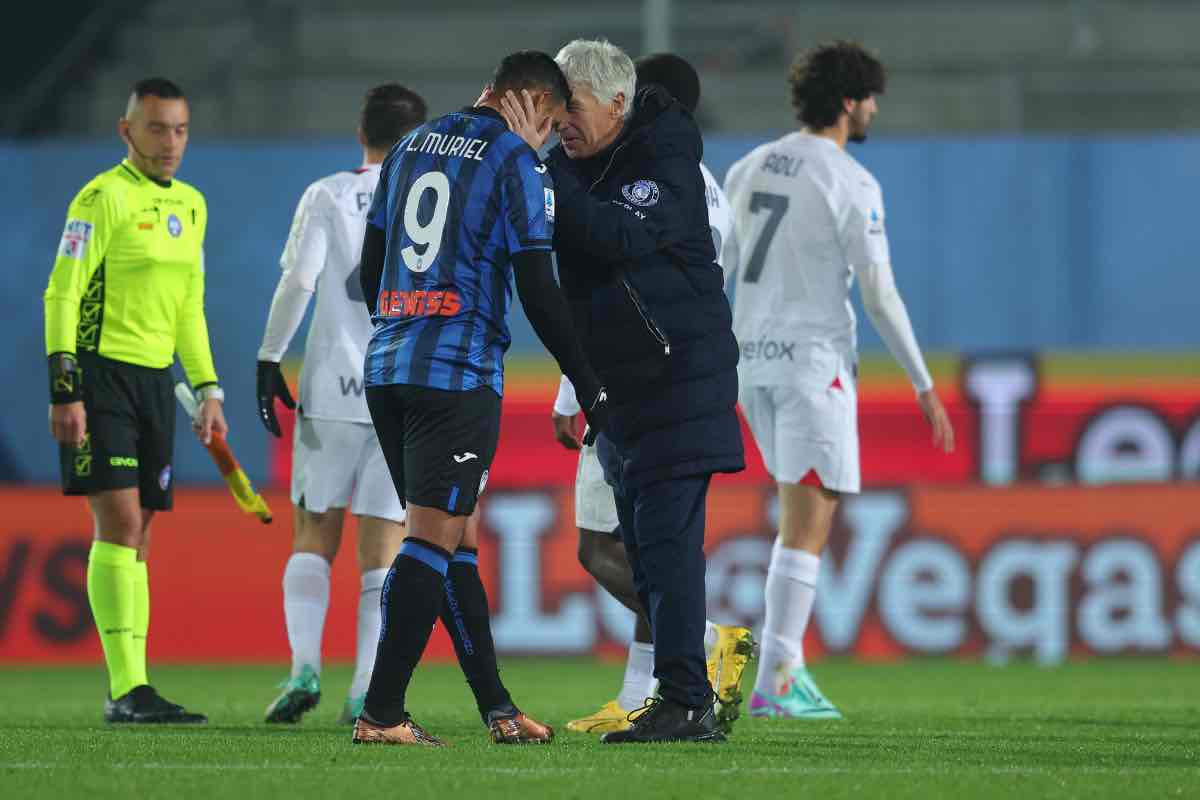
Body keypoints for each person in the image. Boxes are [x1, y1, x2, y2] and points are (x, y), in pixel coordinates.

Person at [351, 50, 607, 747]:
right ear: (535, 106)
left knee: (454, 538)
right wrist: (590, 383)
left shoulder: (408, 144)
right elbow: (539, 289)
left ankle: (498, 708)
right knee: (431, 540)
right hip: (456, 373)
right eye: (553, 124)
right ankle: (380, 714)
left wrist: (410, 312)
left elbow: (370, 270)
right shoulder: (516, 162)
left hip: (389, 364)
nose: (552, 139)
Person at [722, 41, 955, 719]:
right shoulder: (849, 180)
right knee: (809, 521)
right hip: (809, 365)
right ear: (850, 102)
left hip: (750, 363)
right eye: (871, 97)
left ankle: (777, 670)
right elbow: (879, 292)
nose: (875, 108)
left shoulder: (749, 165)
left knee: (798, 516)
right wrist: (921, 382)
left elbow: (720, 268)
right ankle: (778, 676)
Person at [538, 38, 745, 744]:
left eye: (576, 107)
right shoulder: (591, 162)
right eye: (557, 107)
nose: (563, 121)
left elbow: (613, 238)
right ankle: (680, 696)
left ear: (620, 105)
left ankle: (686, 702)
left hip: (676, 383)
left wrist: (544, 178)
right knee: (648, 553)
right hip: (625, 391)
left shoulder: (663, 160)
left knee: (666, 550)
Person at [43, 77, 226, 724]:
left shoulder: (194, 205)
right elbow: (61, 293)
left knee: (141, 532)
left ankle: (134, 685)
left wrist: (207, 387)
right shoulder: (101, 199)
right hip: (100, 377)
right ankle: (128, 688)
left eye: (179, 128)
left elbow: (188, 308)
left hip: (154, 384)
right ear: (127, 131)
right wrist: (64, 389)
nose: (170, 141)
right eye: (156, 128)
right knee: (119, 524)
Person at [255, 84, 428, 725]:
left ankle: (303, 666)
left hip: (331, 391)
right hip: (402, 392)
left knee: (313, 532)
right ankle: (363, 688)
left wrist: (269, 357)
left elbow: (299, 281)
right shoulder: (432, 199)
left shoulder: (327, 193)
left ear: (362, 131)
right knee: (383, 547)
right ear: (419, 138)